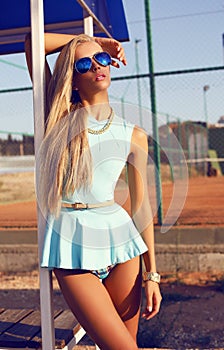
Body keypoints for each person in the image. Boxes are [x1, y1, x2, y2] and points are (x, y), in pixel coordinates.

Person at [25, 32, 162, 350]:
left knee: (128, 344)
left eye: (101, 58)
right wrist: (101, 40)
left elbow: (141, 209)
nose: (97, 65)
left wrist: (152, 274)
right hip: (73, 249)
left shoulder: (134, 135)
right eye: (84, 63)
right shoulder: (57, 119)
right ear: (71, 79)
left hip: (124, 247)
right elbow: (33, 43)